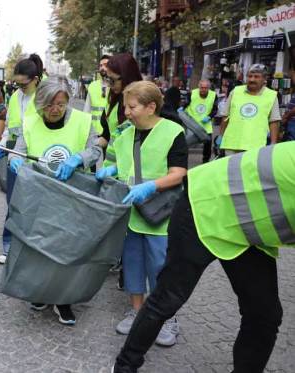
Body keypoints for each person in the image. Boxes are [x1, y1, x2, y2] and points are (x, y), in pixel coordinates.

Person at [112, 141, 293, 373]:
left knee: (264, 314)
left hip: (247, 226)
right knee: (168, 298)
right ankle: (124, 367)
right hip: (204, 204)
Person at [96, 81, 187, 347]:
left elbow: (179, 173)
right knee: (133, 266)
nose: (126, 112)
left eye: (131, 107)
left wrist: (150, 185)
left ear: (151, 107)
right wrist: (109, 170)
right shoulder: (124, 134)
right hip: (130, 214)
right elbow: (113, 160)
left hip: (162, 214)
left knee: (162, 269)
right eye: (125, 106)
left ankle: (166, 319)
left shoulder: (172, 132)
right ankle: (136, 311)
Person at [8, 76, 103, 325]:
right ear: (40, 104)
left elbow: (96, 151)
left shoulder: (81, 120)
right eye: (49, 106)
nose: (54, 110)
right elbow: (18, 150)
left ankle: (63, 300)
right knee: (39, 247)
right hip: (39, 196)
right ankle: (40, 292)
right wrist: (14, 160)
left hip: (71, 197)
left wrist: (78, 159)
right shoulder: (30, 121)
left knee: (66, 249)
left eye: (60, 105)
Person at [0, 55, 42, 265]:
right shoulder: (14, 97)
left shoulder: (43, 98)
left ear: (36, 79)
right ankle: (9, 246)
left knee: (35, 204)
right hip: (14, 155)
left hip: (35, 155)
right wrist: (0, 145)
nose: (20, 88)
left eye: (24, 84)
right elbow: (11, 126)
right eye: (17, 84)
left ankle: (34, 246)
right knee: (13, 202)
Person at [218, 63, 281, 154]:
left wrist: (273, 142)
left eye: (256, 77)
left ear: (264, 79)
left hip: (255, 146)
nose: (252, 79)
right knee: (231, 168)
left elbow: (274, 121)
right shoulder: (236, 91)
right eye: (249, 76)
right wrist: (221, 136)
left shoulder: (271, 95)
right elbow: (225, 116)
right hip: (231, 143)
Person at [102, 53, 143, 147]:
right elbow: (107, 135)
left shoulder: (144, 101)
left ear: (127, 77)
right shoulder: (113, 99)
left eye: (113, 80)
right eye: (108, 79)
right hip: (113, 157)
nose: (109, 84)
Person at [181, 79, 217, 163]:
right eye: (202, 87)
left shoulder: (213, 95)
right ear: (199, 87)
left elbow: (215, 109)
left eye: (205, 88)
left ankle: (205, 161)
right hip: (192, 123)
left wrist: (209, 117)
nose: (203, 90)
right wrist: (182, 109)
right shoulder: (192, 93)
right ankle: (183, 159)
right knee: (186, 141)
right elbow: (186, 103)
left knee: (208, 143)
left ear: (208, 88)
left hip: (205, 123)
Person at [84, 54, 111, 142]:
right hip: (94, 134)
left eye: (106, 65)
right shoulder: (92, 86)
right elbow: (86, 111)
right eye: (101, 65)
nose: (102, 68)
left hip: (112, 135)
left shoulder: (117, 87)